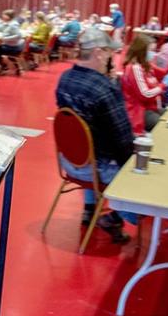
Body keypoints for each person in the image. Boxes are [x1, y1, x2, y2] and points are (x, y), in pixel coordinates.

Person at [54, 28, 133, 243]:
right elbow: (123, 140)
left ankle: (89, 209)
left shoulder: (64, 79)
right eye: (109, 53)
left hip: (70, 161)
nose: (112, 58)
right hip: (97, 170)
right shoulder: (104, 89)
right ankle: (115, 217)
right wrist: (134, 167)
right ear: (98, 52)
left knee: (94, 148)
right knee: (146, 175)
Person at [121, 34, 165, 134]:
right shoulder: (134, 67)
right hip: (139, 110)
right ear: (141, 51)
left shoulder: (146, 65)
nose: (153, 54)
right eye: (150, 50)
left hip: (151, 107)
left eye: (154, 50)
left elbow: (164, 72)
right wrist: (163, 86)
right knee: (164, 127)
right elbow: (145, 94)